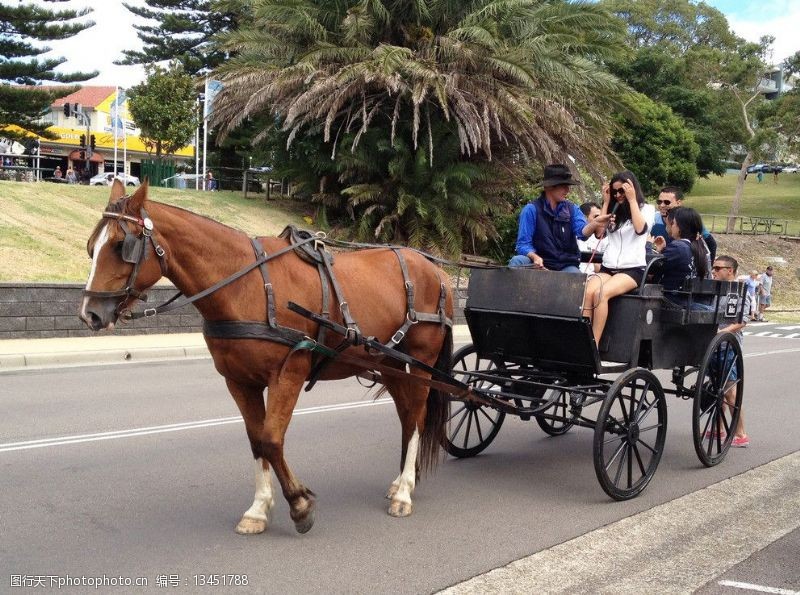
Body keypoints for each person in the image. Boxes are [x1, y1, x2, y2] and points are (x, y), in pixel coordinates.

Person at [582, 170, 654, 344]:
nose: (618, 195)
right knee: (587, 291)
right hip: (609, 267)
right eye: (615, 192)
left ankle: (594, 345)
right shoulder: (615, 210)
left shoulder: (646, 209)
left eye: (622, 191)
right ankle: (583, 341)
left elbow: (640, 229)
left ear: (632, 188)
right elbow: (599, 233)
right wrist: (606, 203)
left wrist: (631, 200)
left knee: (601, 293)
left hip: (632, 269)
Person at [509, 164, 610, 271]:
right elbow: (523, 244)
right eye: (563, 186)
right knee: (518, 261)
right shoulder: (531, 210)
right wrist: (535, 257)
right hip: (537, 263)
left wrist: (594, 224)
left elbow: (582, 233)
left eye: (568, 186)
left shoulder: (572, 209)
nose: (567, 190)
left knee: (574, 275)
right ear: (549, 187)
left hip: (564, 265)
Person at [711, 255, 750, 447]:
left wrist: (720, 332)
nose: (714, 271)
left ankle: (741, 433)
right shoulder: (716, 289)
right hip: (714, 345)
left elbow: (742, 322)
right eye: (714, 268)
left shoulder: (740, 292)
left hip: (729, 347)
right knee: (719, 390)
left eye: (718, 268)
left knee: (730, 391)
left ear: (730, 271)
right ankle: (719, 427)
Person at [651, 207, 709, 302]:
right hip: (684, 301)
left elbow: (651, 267)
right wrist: (661, 251)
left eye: (673, 223)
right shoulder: (695, 248)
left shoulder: (678, 247)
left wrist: (648, 245)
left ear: (680, 227)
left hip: (668, 301)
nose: (671, 226)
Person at [650, 186, 717, 263]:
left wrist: (708, 268)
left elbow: (711, 244)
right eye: (659, 202)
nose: (662, 205)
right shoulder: (652, 219)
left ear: (679, 203)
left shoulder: (690, 219)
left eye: (667, 202)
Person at [578, 202, 606, 274]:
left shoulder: (602, 239)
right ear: (584, 217)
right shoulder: (574, 235)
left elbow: (601, 267)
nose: (600, 220)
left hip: (594, 278)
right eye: (596, 217)